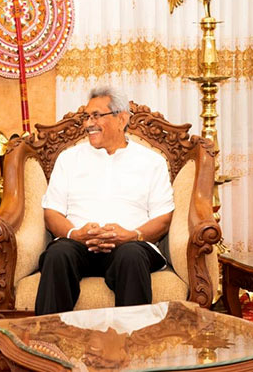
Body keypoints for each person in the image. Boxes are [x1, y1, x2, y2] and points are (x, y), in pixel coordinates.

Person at [34, 86, 175, 315]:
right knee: (58, 253)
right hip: (78, 245)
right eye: (86, 116)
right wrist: (75, 234)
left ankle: (132, 344)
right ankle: (47, 342)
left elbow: (163, 218)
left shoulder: (151, 162)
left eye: (96, 116)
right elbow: (52, 213)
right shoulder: (68, 159)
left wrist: (132, 235)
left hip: (130, 245)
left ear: (121, 119)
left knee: (131, 255)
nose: (89, 123)